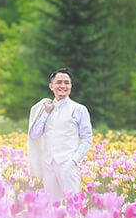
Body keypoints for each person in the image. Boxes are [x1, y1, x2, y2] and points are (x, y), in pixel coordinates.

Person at [27, 68, 93, 202]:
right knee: (51, 206)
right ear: (51, 86)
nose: (63, 86)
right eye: (59, 82)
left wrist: (74, 160)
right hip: (48, 164)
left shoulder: (79, 109)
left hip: (67, 164)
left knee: (74, 205)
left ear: (71, 86)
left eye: (66, 83)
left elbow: (87, 138)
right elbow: (34, 135)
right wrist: (46, 113)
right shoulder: (45, 108)